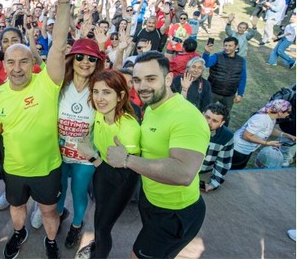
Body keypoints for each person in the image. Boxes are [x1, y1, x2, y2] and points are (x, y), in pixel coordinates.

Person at [0, 0, 70, 259]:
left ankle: (50, 241)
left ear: (31, 61)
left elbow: (58, 47)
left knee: (48, 212)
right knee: (17, 209)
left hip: (47, 168)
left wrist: (63, 2)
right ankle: (19, 234)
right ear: (4, 64)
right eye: (11, 62)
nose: (18, 68)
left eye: (23, 61)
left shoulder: (47, 82)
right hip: (15, 170)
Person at [109, 52, 208, 259]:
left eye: (151, 79)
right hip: (153, 201)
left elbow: (183, 173)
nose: (142, 86)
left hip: (174, 213)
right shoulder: (154, 106)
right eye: (137, 80)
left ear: (169, 78)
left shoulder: (187, 117)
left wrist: (126, 160)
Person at [30, 38, 104, 250]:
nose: (85, 62)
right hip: (58, 152)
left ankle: (76, 226)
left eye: (91, 58)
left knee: (80, 193)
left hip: (85, 155)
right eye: (80, 56)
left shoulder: (98, 88)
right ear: (72, 59)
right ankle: (58, 216)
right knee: (59, 191)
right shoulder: (60, 85)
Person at [73, 69, 141, 259]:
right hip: (102, 172)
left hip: (122, 182)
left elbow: (123, 176)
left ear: (120, 96)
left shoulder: (129, 128)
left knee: (103, 228)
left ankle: (98, 255)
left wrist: (92, 157)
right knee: (98, 219)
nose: (99, 98)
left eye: (107, 92)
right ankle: (96, 246)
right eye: (96, 92)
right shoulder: (99, 113)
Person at [231, 99, 295, 170]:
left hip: (246, 149)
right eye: (288, 112)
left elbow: (270, 129)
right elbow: (246, 135)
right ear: (280, 112)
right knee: (232, 170)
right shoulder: (261, 119)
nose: (289, 114)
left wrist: (286, 135)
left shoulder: (271, 118)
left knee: (238, 169)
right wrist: (266, 143)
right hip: (237, 149)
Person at [202, 37, 247, 120]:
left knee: (225, 116)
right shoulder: (217, 56)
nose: (227, 48)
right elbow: (206, 64)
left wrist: (240, 93)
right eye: (225, 45)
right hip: (213, 91)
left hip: (229, 94)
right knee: (206, 113)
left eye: (230, 46)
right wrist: (206, 53)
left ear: (236, 46)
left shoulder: (241, 61)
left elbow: (242, 78)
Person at [199, 103, 234, 192]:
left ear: (222, 123)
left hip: (203, 172)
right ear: (202, 114)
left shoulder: (227, 136)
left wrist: (214, 183)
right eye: (207, 117)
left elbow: (223, 163)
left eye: (214, 121)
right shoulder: (187, 125)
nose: (209, 122)